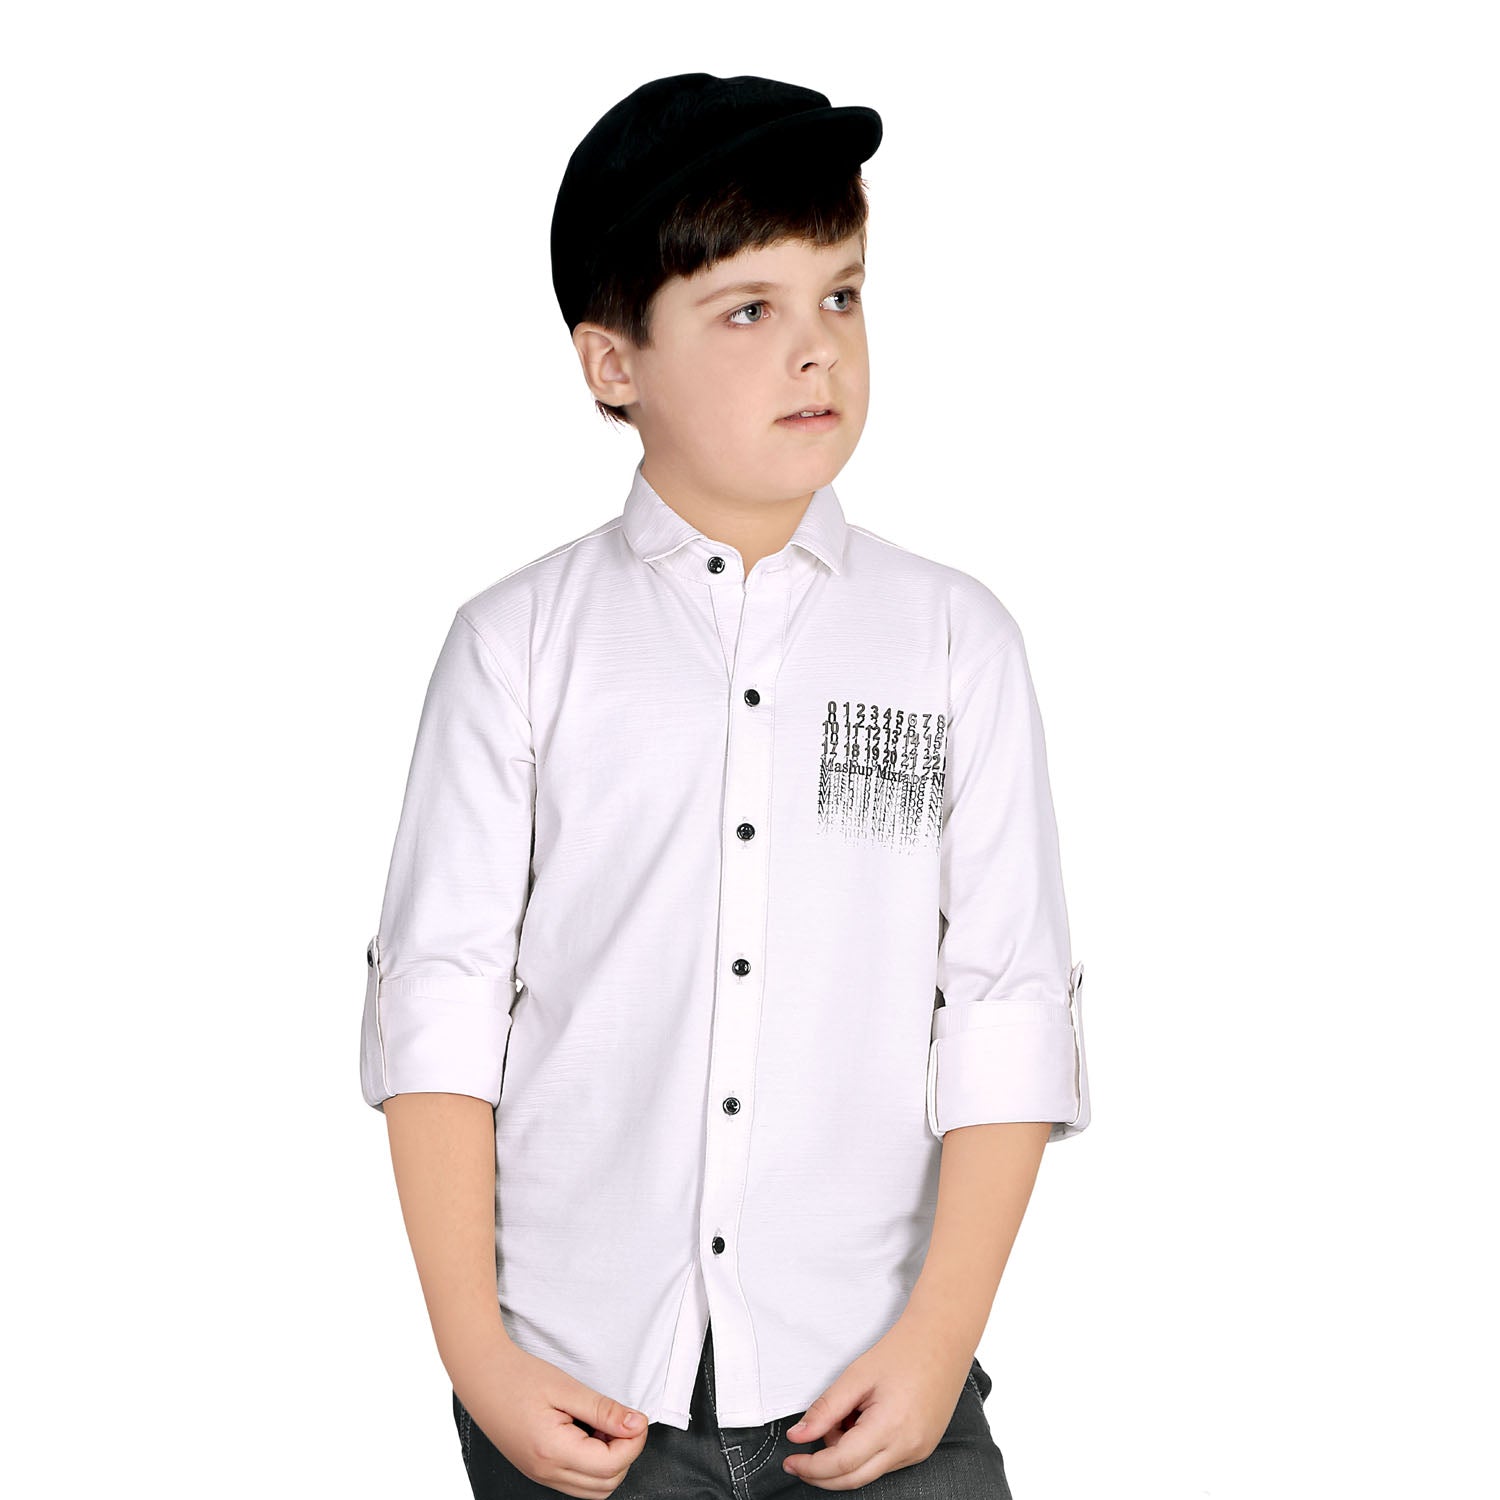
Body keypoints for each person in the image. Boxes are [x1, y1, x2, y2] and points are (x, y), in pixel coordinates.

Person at [360, 71, 1092, 1499]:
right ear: (612, 363)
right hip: (580, 1389)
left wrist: (940, 1342)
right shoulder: (517, 647)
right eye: (749, 310)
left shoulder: (954, 642)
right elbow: (441, 1010)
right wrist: (478, 1359)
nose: (817, 349)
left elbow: (1004, 1005)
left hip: (878, 1378)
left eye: (842, 295)